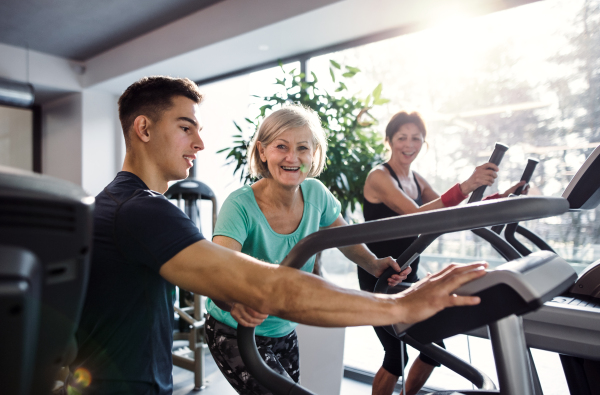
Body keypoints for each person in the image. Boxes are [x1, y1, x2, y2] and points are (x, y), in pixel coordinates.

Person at [68, 77, 488, 395]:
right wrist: (399, 305)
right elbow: (269, 286)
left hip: (133, 376)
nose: (200, 142)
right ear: (143, 129)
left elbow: (337, 240)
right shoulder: (144, 209)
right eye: (186, 127)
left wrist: (376, 265)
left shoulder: (123, 204)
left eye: (303, 148)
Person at [205, 105, 406, 394]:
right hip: (235, 329)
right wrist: (235, 303)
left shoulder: (315, 194)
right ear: (262, 151)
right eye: (281, 147)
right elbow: (214, 273)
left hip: (282, 327)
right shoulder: (239, 206)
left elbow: (344, 238)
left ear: (314, 154)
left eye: (302, 148)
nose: (292, 157)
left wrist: (374, 264)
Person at [361, 111, 528, 395]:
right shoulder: (379, 176)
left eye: (417, 138)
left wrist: (501, 199)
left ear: (424, 143)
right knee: (396, 355)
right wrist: (467, 184)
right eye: (402, 137)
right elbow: (415, 217)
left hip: (407, 274)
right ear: (388, 140)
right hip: (379, 276)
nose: (409, 144)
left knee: (432, 347)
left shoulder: (417, 179)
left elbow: (449, 211)